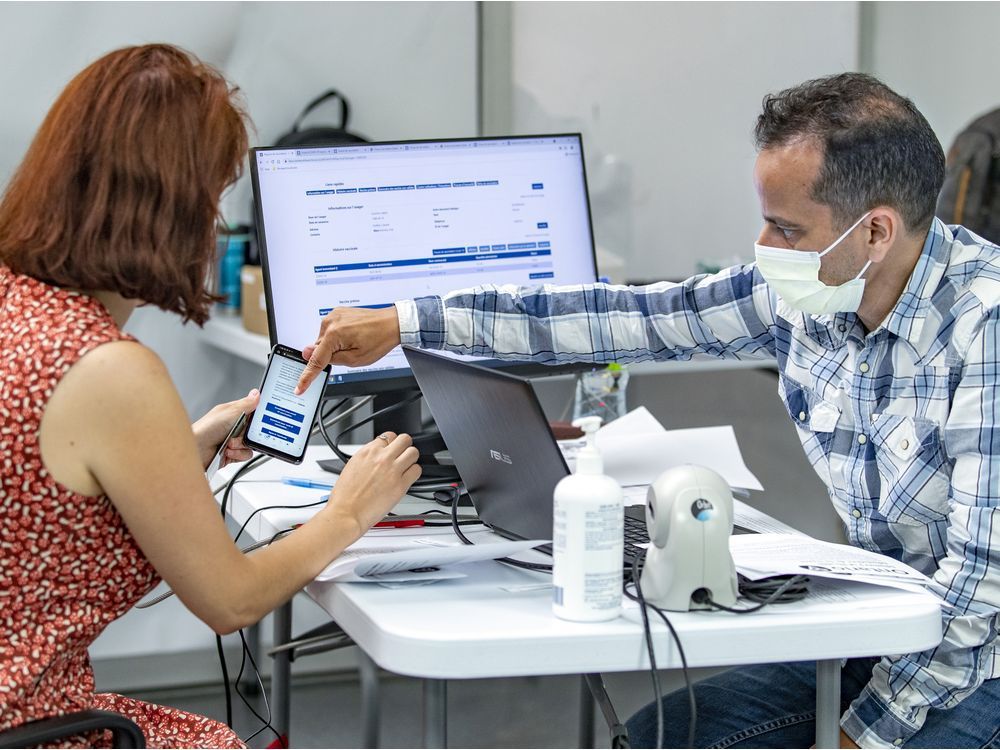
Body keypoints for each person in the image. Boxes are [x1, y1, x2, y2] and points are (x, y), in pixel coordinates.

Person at [295, 73, 1000, 748]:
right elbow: (618, 318)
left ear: (875, 234)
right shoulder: (808, 293)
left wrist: (854, 737)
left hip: (979, 661)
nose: (764, 249)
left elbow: (976, 599)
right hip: (887, 628)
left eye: (786, 229)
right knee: (666, 735)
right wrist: (408, 322)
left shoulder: (984, 327)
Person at [0, 45, 421, 748]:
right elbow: (231, 600)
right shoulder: (110, 371)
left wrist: (185, 447)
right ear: (170, 204)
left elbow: (40, 492)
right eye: (214, 194)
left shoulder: (18, 306)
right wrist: (348, 513)